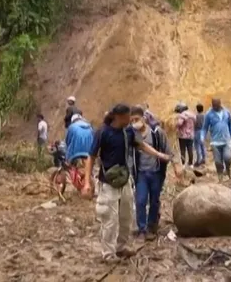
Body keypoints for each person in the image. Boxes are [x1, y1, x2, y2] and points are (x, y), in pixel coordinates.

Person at [82, 104, 172, 262]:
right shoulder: (103, 132)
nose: (130, 120)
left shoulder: (128, 132)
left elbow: (142, 145)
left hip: (125, 181)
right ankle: (108, 254)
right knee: (109, 219)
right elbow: (91, 156)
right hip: (108, 183)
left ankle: (121, 246)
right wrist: (87, 182)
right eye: (127, 117)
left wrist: (159, 155)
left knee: (126, 216)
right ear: (118, 117)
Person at [132, 106, 171, 240]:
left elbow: (168, 149)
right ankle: (142, 229)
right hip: (141, 173)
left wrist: (175, 163)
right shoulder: (133, 135)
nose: (135, 123)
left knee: (154, 200)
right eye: (132, 120)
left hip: (156, 172)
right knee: (141, 200)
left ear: (143, 118)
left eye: (137, 119)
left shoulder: (156, 132)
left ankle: (152, 224)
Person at [200, 98, 231, 181]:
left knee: (227, 157)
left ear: (220, 104)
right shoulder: (209, 114)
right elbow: (204, 128)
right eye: (214, 106)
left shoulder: (226, 113)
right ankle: (220, 176)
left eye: (216, 105)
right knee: (218, 162)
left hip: (226, 140)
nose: (215, 107)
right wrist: (202, 137)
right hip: (215, 142)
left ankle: (228, 169)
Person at [175, 102, 195, 167]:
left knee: (183, 150)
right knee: (190, 149)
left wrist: (176, 123)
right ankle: (191, 163)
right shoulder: (192, 114)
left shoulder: (182, 115)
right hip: (191, 135)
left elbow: (179, 123)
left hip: (183, 135)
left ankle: (183, 164)